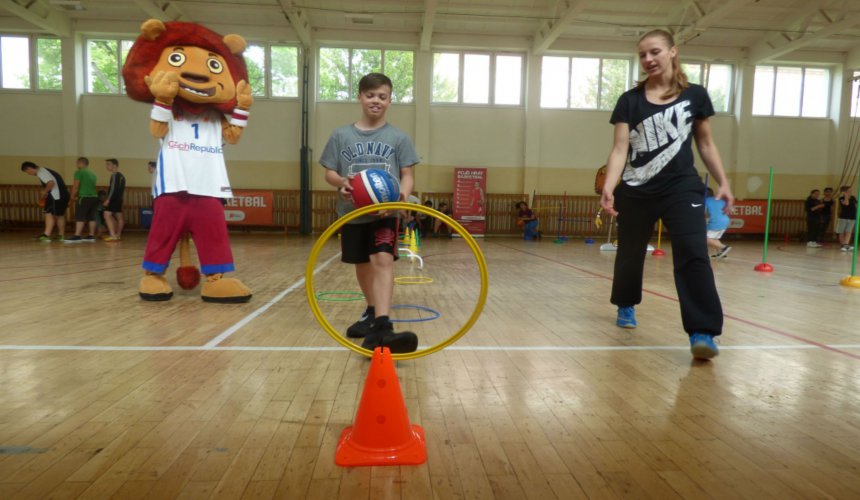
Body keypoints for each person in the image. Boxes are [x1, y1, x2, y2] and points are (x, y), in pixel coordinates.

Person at [599, 29, 734, 360]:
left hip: (681, 187)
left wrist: (723, 181)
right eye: (642, 55)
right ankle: (626, 304)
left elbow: (705, 143)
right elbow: (620, 149)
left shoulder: (695, 96)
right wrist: (609, 185)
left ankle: (703, 332)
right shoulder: (629, 101)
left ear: (673, 52)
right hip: (636, 189)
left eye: (654, 52)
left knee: (693, 254)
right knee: (630, 253)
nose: (648, 59)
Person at [320, 72, 419, 354]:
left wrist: (400, 199)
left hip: (384, 213)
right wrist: (341, 183)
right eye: (370, 95)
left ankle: (383, 326)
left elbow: (407, 174)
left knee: (382, 259)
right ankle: (372, 312)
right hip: (352, 214)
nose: (376, 101)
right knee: (362, 265)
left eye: (382, 96)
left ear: (390, 100)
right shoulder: (341, 135)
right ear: (360, 97)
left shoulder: (398, 137)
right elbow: (329, 172)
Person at [21, 161, 69, 242]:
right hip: (64, 195)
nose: (28, 174)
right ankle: (61, 235)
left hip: (55, 196)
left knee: (48, 213)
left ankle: (46, 235)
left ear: (29, 168)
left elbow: (51, 183)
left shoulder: (41, 172)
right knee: (60, 215)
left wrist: (44, 191)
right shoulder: (46, 170)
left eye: (27, 172)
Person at [65, 157, 100, 243]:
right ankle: (91, 235)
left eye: (77, 163)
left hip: (84, 197)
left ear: (80, 163)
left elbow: (76, 186)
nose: (76, 165)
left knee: (80, 216)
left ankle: (77, 235)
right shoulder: (93, 173)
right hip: (95, 197)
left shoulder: (79, 172)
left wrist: (72, 197)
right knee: (91, 217)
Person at [103, 158, 126, 241]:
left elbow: (113, 189)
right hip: (119, 199)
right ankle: (118, 234)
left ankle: (112, 235)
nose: (107, 166)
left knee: (106, 215)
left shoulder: (114, 175)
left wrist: (108, 199)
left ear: (115, 165)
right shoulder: (122, 176)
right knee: (120, 217)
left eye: (108, 164)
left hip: (113, 199)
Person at [705, 187, 730, 258]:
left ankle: (724, 247)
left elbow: (705, 213)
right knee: (714, 238)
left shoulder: (705, 201)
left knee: (705, 238)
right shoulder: (720, 200)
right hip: (725, 220)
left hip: (716, 221)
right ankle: (721, 253)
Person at [836, 185, 857, 252]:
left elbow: (856, 205)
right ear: (844, 192)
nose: (850, 192)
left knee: (849, 231)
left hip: (852, 217)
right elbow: (846, 203)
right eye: (848, 191)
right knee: (841, 231)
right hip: (843, 217)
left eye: (850, 191)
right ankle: (843, 245)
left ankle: (846, 244)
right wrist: (846, 196)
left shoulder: (853, 198)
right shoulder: (841, 198)